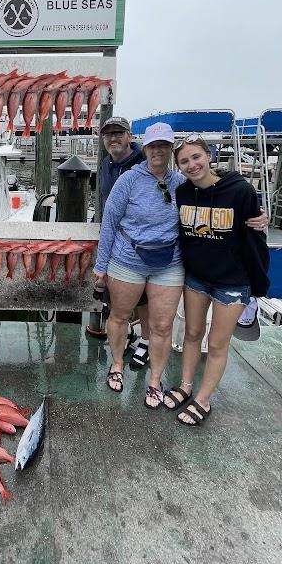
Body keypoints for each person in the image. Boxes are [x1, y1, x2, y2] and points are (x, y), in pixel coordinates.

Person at [163, 133, 270, 426]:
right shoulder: (182, 193)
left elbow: (256, 235)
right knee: (192, 334)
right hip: (196, 277)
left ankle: (203, 399)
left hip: (232, 282)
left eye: (196, 157)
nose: (191, 164)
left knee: (218, 342)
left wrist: (258, 284)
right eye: (184, 161)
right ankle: (186, 386)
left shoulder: (241, 191)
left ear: (209, 156)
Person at [94, 123, 186, 408]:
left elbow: (214, 195)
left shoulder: (181, 183)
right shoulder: (128, 181)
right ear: (144, 149)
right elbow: (109, 223)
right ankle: (117, 364)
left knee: (161, 325)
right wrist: (101, 266)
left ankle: (155, 381)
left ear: (171, 149)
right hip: (127, 260)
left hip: (169, 263)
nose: (158, 150)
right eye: (153, 145)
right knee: (119, 316)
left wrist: (253, 214)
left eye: (164, 145)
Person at [93, 115, 150, 368]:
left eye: (118, 133)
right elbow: (105, 201)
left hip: (140, 246)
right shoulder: (106, 163)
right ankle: (128, 335)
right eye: (108, 134)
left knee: (145, 299)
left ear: (129, 136)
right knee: (117, 297)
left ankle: (147, 343)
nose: (113, 138)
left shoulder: (145, 163)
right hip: (114, 241)